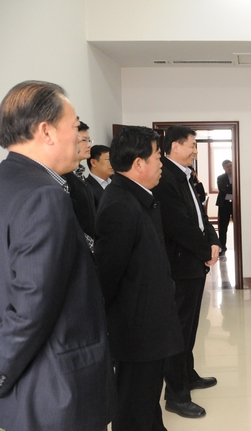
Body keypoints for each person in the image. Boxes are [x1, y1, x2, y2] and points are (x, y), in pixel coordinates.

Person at [0, 80, 116, 430]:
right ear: (46, 131)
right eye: (75, 126)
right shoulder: (44, 195)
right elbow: (31, 305)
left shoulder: (9, 181)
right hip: (54, 388)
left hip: (25, 392)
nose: (80, 138)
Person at [95, 126, 184, 431]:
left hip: (148, 325)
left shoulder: (137, 197)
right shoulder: (120, 205)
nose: (161, 164)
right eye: (158, 157)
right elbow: (107, 276)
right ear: (138, 164)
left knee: (146, 404)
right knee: (134, 407)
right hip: (136, 331)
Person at [152, 125, 220, 419]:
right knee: (178, 330)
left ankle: (187, 375)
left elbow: (200, 216)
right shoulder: (165, 177)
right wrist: (205, 251)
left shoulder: (186, 176)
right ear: (175, 146)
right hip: (179, 266)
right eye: (191, 145)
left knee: (190, 326)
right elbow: (178, 225)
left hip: (192, 263)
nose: (195, 150)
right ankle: (176, 395)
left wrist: (214, 241)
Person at [63, 119, 96, 249]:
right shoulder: (63, 178)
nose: (89, 145)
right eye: (84, 140)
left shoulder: (80, 175)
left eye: (89, 140)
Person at [216, 159, 233, 257]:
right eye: (227, 167)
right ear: (224, 168)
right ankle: (222, 247)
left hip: (235, 204)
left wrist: (229, 187)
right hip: (224, 204)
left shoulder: (238, 176)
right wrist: (232, 187)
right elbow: (222, 189)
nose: (230, 168)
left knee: (238, 226)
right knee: (223, 227)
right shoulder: (220, 178)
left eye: (231, 165)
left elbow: (239, 188)